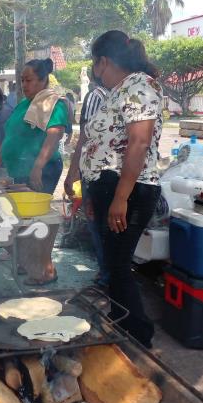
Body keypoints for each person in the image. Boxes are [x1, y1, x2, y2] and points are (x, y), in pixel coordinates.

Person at [79, 30, 163, 348]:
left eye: (94, 63)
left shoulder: (139, 84)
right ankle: (122, 324)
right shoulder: (118, 90)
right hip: (111, 186)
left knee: (117, 263)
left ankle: (138, 335)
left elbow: (139, 142)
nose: (94, 70)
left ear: (103, 61)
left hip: (130, 188)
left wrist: (120, 198)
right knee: (112, 263)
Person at [0, 58, 68, 285]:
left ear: (42, 80)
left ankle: (46, 270)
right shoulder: (24, 104)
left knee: (39, 221)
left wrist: (37, 166)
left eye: (28, 80)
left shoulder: (52, 103)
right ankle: (26, 261)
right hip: (21, 169)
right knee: (20, 219)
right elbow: (11, 135)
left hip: (42, 169)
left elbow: (54, 134)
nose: (24, 85)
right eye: (21, 80)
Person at [65, 78, 110, 288]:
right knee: (107, 228)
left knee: (97, 226)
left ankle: (106, 277)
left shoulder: (95, 96)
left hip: (95, 174)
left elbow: (85, 137)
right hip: (112, 173)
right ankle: (111, 274)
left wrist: (72, 172)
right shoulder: (120, 94)